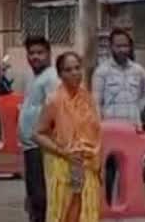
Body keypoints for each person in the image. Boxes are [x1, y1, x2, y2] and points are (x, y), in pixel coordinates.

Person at [34, 52, 103, 222]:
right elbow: (37, 134)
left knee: (87, 213)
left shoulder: (88, 99)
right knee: (65, 213)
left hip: (88, 165)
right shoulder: (54, 100)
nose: (74, 73)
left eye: (77, 68)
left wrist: (97, 162)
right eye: (68, 70)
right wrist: (62, 151)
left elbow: (96, 133)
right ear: (60, 74)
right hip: (64, 163)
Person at [91, 29, 145, 200]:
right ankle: (108, 209)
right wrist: (100, 124)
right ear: (111, 47)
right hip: (110, 130)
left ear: (130, 47)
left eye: (125, 45)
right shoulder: (102, 72)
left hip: (133, 129)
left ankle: (126, 211)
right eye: (118, 46)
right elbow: (95, 101)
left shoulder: (139, 71)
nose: (122, 49)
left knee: (130, 171)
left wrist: (136, 109)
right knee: (109, 171)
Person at [19, 36, 59, 222]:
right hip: (30, 146)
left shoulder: (51, 78)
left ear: (49, 54)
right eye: (31, 53)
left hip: (42, 146)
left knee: (41, 197)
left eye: (40, 53)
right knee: (34, 196)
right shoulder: (33, 77)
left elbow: (55, 111)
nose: (35, 57)